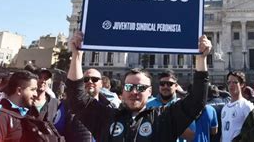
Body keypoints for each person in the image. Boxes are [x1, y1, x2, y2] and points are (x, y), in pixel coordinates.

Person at [66, 31, 211, 141]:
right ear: (123, 90)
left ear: (150, 92)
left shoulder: (163, 118)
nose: (134, 91)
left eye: (141, 88)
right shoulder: (107, 117)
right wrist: (77, 56)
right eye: (129, 87)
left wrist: (200, 59)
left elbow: (197, 101)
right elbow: (76, 98)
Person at [55, 68, 117, 141]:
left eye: (94, 79)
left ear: (101, 84)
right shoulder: (67, 105)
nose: (90, 82)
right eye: (86, 79)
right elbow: (57, 131)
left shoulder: (110, 107)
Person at [0, 71, 38, 141]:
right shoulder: (0, 116)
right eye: (33, 90)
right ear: (19, 90)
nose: (36, 94)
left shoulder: (29, 115)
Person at [146, 69, 195, 141]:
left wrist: (173, 121)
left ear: (176, 86)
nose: (165, 86)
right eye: (162, 84)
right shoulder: (148, 104)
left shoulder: (183, 106)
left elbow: (192, 136)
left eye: (169, 84)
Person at [221, 71, 254, 142]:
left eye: (235, 82)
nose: (231, 85)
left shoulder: (246, 106)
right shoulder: (225, 108)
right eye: (229, 82)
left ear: (242, 84)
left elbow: (253, 131)